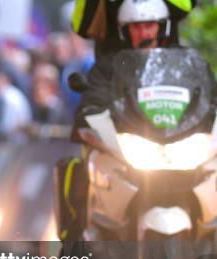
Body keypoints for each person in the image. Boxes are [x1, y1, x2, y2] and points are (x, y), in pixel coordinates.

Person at [59, 0, 193, 244]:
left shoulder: (183, 65)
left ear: (161, 27)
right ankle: (77, 239)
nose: (144, 33)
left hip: (172, 126)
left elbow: (185, 7)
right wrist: (93, 117)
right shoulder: (109, 65)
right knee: (87, 163)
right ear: (125, 29)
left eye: (150, 26)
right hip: (122, 121)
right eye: (137, 27)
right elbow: (82, 25)